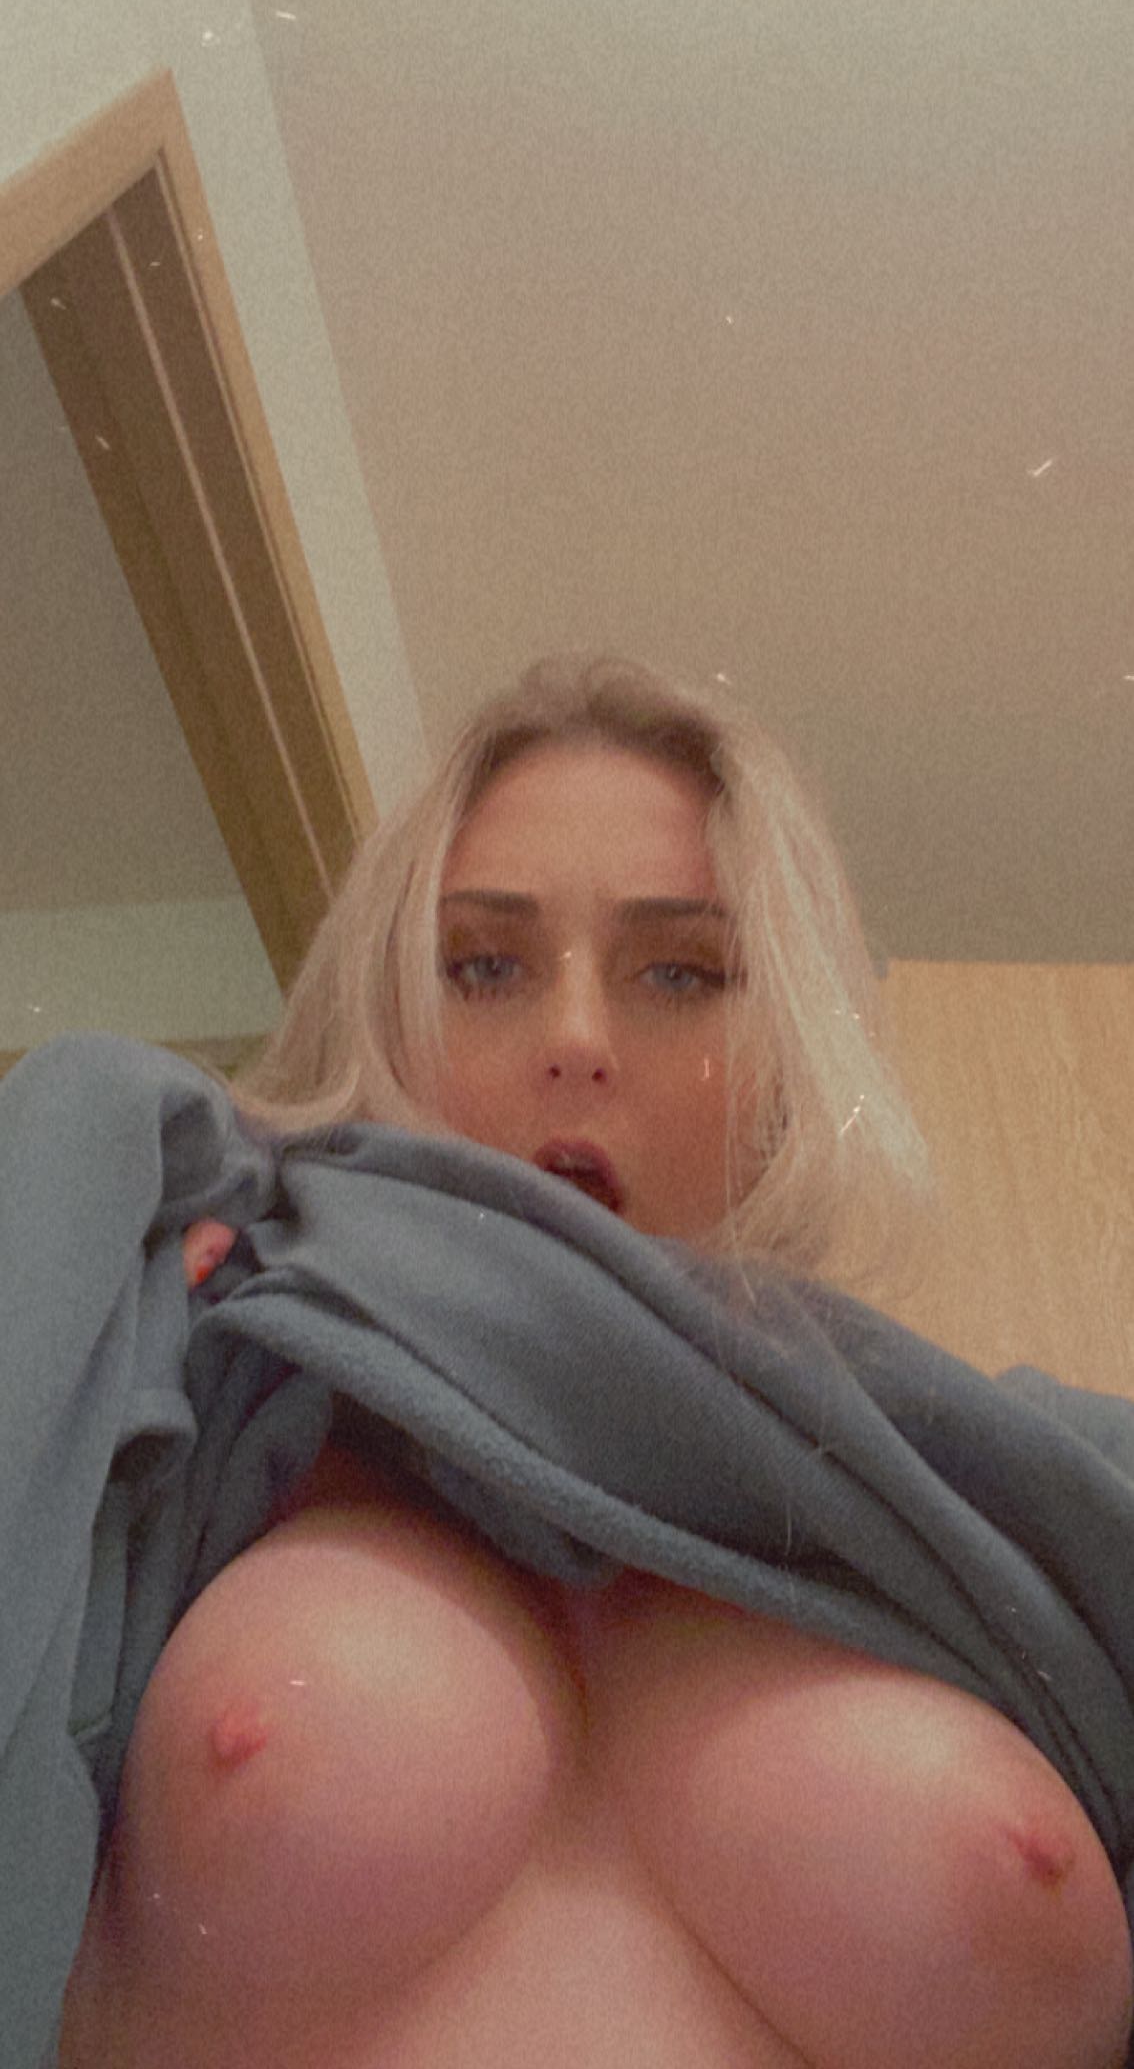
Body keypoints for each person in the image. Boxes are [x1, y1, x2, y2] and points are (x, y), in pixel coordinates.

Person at [60, 656, 1133, 2067]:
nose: (574, 1040)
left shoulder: (1025, 1494)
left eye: (681, 971)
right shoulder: (172, 1371)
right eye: (484, 965)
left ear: (790, 1059)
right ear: (385, 1012)